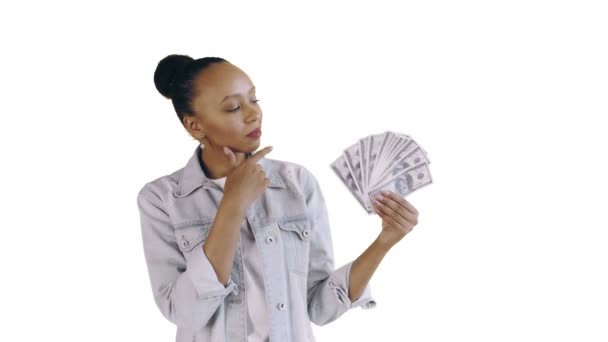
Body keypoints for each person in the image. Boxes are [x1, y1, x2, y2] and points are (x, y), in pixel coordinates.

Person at [136, 54, 420, 342]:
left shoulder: (296, 184)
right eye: (233, 107)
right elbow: (183, 313)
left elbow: (318, 306)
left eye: (253, 100)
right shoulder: (162, 199)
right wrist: (232, 204)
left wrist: (385, 241)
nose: (252, 114)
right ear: (194, 126)